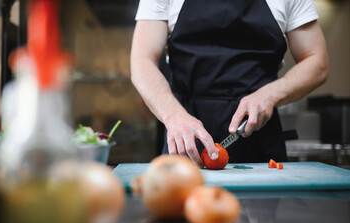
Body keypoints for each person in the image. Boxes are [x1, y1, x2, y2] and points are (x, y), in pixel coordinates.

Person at [130, 0, 329, 166]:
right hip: (184, 144)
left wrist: (270, 93)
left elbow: (317, 61)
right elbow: (141, 61)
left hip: (259, 144)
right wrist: (173, 115)